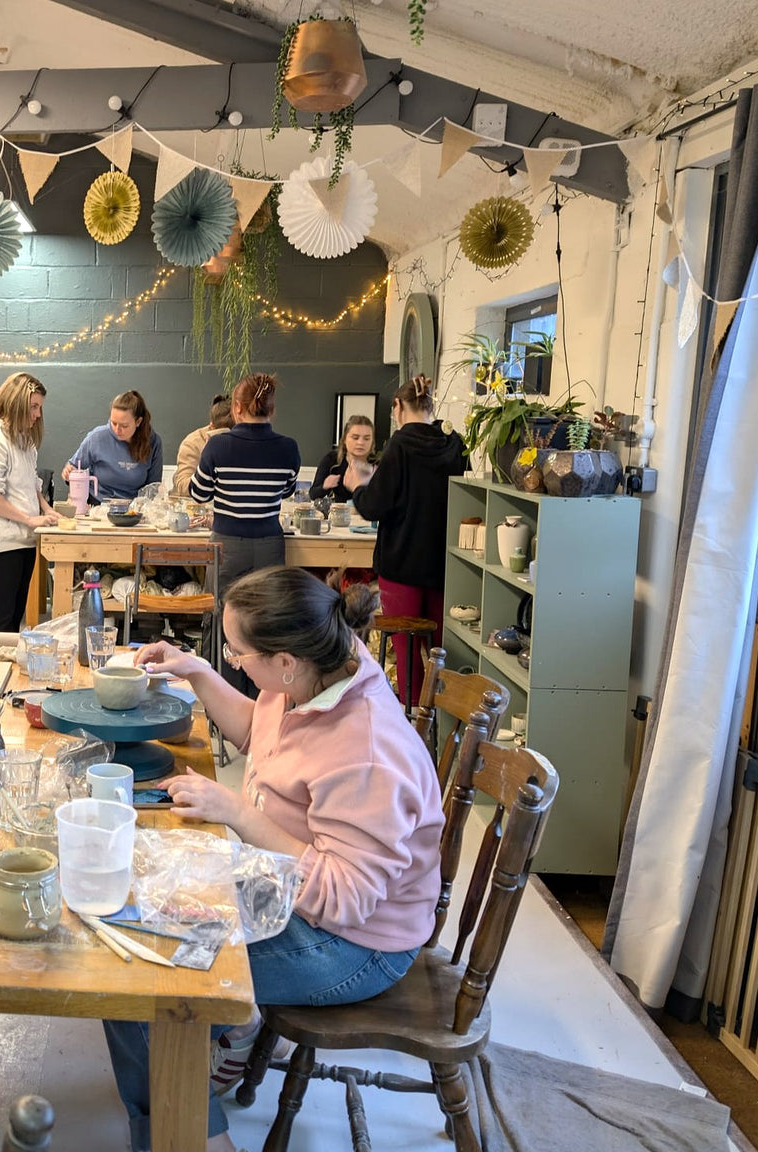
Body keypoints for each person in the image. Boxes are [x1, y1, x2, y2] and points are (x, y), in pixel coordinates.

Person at [105, 567, 444, 1152]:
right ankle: (209, 1058)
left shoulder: (366, 751)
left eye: (237, 652)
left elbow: (342, 899)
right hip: (290, 890)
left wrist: (237, 812)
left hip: (356, 943)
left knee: (144, 977)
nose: (234, 661)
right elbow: (256, 735)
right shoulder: (316, 671)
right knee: (137, 915)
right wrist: (199, 672)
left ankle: (193, 1134)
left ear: (284, 661)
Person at [352, 375, 468, 703]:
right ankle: (443, 722)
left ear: (398, 407)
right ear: (432, 405)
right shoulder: (455, 444)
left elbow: (375, 505)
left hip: (402, 563)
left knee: (404, 648)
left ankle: (413, 723)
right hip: (445, 565)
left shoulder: (399, 444)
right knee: (441, 650)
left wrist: (359, 487)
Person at [188, 373, 300, 692]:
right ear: (272, 410)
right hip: (269, 544)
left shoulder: (218, 445)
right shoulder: (288, 448)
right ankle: (264, 696)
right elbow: (288, 488)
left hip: (227, 545)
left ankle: (225, 695)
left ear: (236, 408)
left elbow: (198, 493)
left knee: (224, 619)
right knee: (265, 620)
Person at [0, 371, 60, 633]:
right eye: (33, 407)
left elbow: (31, 483)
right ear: (16, 403)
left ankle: (6, 667)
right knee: (1, 618)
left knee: (14, 615)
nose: (38, 414)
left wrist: (47, 509)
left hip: (21, 538)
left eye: (40, 407)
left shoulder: (24, 440)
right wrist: (30, 519)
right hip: (0, 542)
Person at [61, 390, 163, 502]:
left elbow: (153, 487)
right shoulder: (97, 437)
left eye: (124, 426)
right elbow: (74, 467)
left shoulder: (153, 442)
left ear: (138, 422)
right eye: (113, 423)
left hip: (133, 508)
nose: (117, 430)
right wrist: (69, 472)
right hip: (97, 502)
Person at [171, 394, 233, 497]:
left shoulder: (244, 442)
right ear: (211, 426)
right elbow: (183, 486)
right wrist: (207, 458)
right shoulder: (192, 443)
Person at [311, 413, 377, 502]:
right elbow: (313, 494)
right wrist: (325, 486)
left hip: (368, 514)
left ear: (372, 441)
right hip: (338, 513)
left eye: (366, 438)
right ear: (345, 439)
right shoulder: (332, 460)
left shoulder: (378, 464)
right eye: (355, 437)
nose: (360, 442)